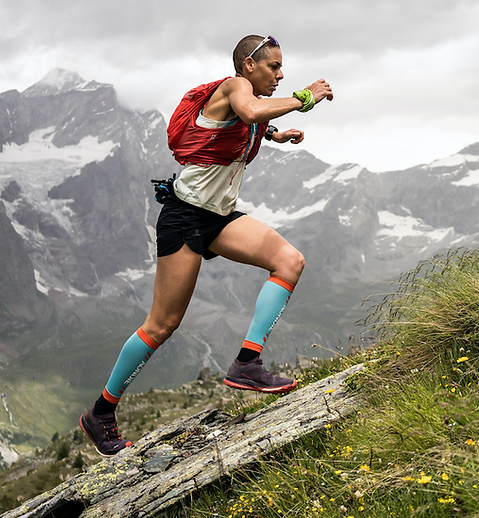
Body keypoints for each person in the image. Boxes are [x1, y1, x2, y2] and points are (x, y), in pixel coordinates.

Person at [79, 34, 333, 457]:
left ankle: (247, 363)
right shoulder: (235, 88)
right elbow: (249, 109)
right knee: (162, 324)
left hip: (218, 217)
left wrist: (275, 136)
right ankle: (101, 412)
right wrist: (305, 96)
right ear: (249, 66)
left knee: (289, 261)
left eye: (283, 68)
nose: (281, 74)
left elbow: (246, 123)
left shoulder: (244, 102)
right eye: (274, 67)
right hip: (185, 217)